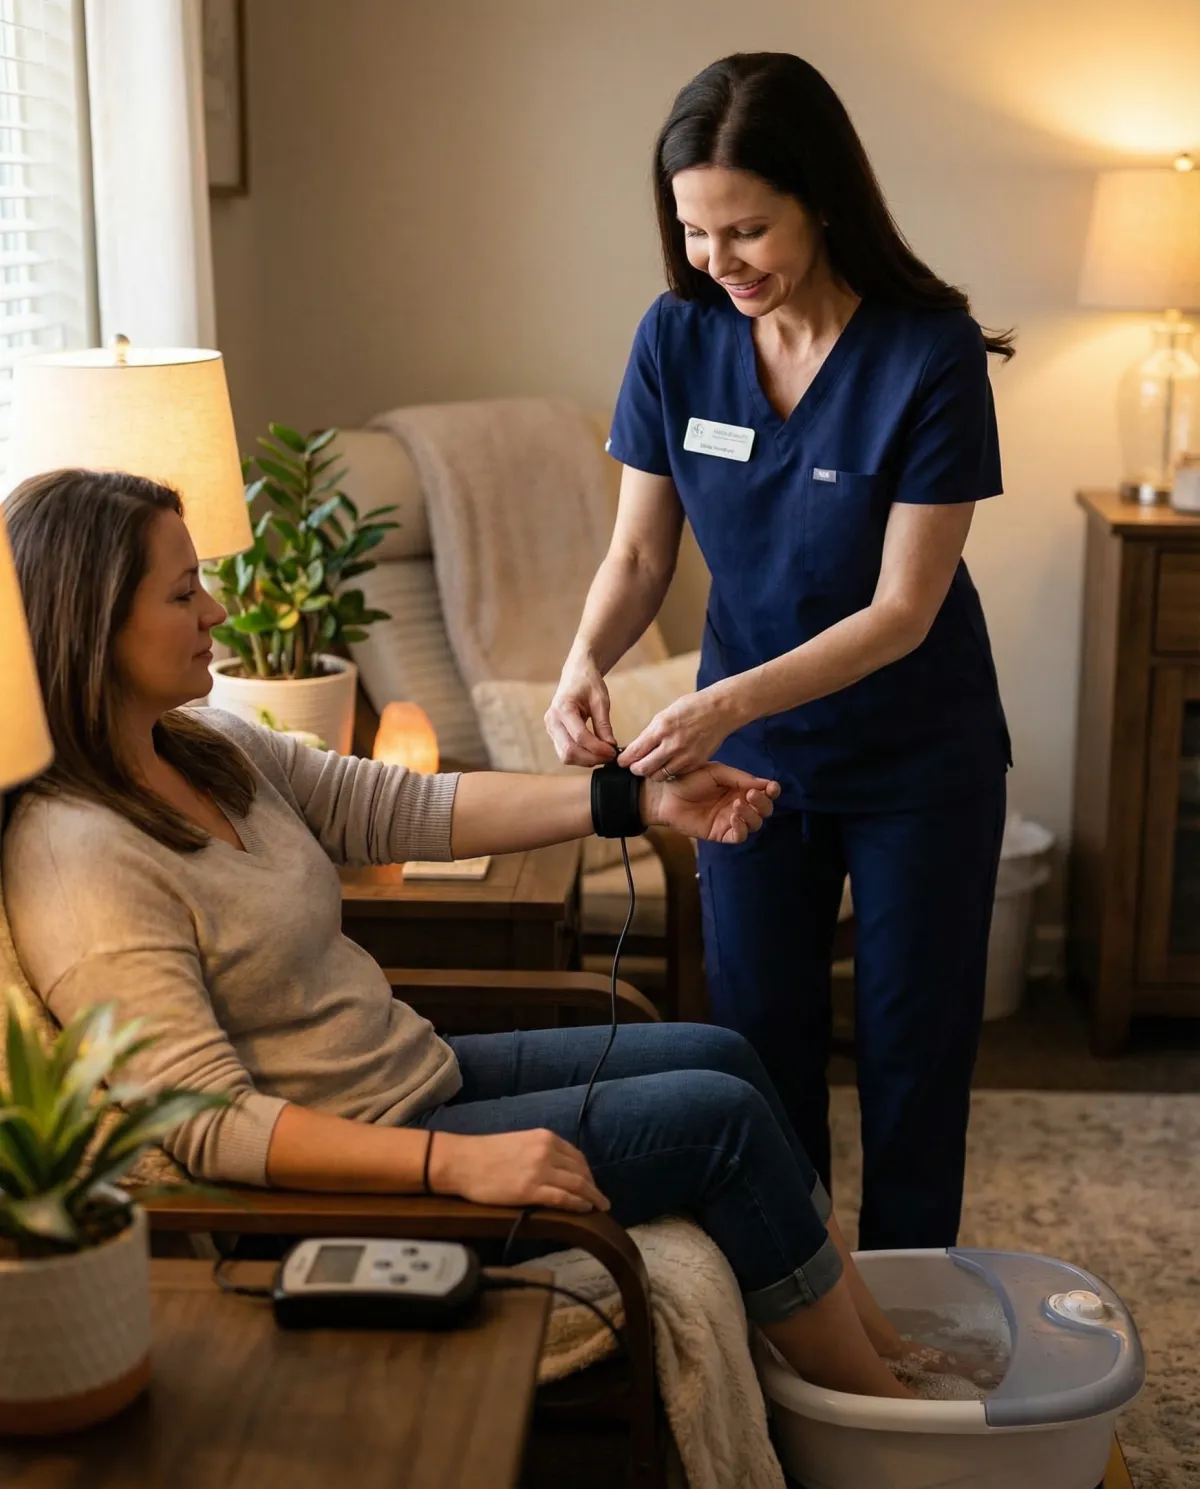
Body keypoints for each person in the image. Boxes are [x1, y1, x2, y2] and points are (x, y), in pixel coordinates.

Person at [2, 467, 954, 1401]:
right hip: (346, 1174)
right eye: (182, 592)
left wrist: (642, 798)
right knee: (725, 1126)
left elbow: (400, 805)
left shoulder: (206, 744)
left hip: (406, 1078)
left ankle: (881, 1352)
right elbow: (205, 1123)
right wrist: (454, 1162)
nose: (214, 611)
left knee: (723, 1055)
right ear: (91, 623)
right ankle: (888, 1426)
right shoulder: (79, 855)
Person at [546, 53, 1012, 1252]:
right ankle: (796, 1324)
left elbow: (903, 610)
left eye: (747, 227)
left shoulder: (929, 352)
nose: (719, 260)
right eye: (696, 231)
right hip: (748, 766)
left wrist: (714, 701)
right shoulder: (677, 337)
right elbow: (640, 557)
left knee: (914, 1061)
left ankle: (908, 1321)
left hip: (920, 763)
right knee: (760, 1055)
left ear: (822, 199)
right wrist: (584, 658)